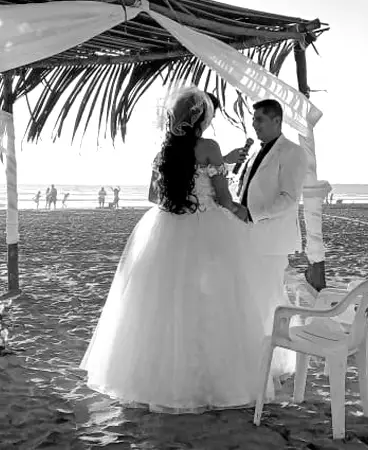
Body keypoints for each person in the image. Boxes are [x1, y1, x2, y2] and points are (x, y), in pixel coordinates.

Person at [80, 87, 276, 413]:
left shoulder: (164, 152)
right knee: (217, 303)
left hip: (167, 229)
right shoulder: (210, 147)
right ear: (202, 117)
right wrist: (241, 211)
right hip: (209, 231)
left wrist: (182, 203)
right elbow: (224, 198)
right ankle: (216, 383)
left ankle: (157, 382)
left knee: (165, 304)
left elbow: (153, 198)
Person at [235, 99, 309, 381]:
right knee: (254, 298)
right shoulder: (256, 150)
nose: (254, 125)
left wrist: (251, 213)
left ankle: (275, 364)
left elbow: (289, 199)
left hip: (270, 240)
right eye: (254, 120)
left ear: (277, 121)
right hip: (249, 237)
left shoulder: (292, 152)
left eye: (260, 120)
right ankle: (258, 358)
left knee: (268, 300)